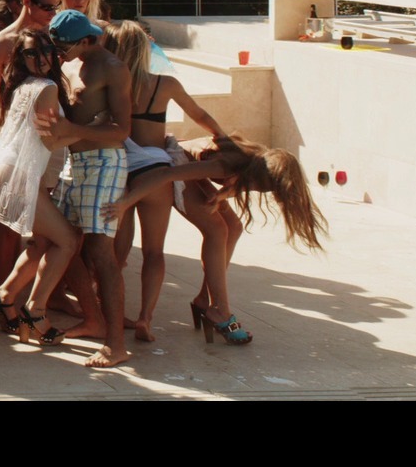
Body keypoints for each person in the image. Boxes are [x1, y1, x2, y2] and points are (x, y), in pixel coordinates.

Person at [105, 134, 328, 346]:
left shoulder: (253, 161)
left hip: (193, 170)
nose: (258, 192)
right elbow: (167, 175)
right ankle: (220, 310)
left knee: (234, 227)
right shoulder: (225, 165)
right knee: (217, 231)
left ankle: (205, 300)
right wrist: (127, 202)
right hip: (175, 162)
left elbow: (236, 185)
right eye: (261, 188)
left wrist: (221, 195)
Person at [107, 20, 230, 341]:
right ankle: (145, 318)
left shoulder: (109, 87)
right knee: (154, 252)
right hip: (155, 172)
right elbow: (199, 115)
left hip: (120, 170)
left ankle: (111, 313)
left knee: (116, 255)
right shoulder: (164, 85)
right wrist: (223, 137)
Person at [0, 28, 85, 347]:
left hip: (9, 169)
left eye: (45, 50)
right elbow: (50, 140)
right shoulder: (47, 86)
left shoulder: (21, 85)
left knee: (42, 242)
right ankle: (35, 311)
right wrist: (94, 131)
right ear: (20, 58)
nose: (41, 58)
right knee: (67, 240)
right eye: (30, 53)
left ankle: (4, 296)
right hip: (16, 173)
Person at [39, 9, 133, 368]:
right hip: (73, 161)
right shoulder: (68, 63)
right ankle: (93, 319)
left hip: (104, 162)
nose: (58, 54)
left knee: (100, 252)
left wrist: (73, 131)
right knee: (61, 241)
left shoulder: (112, 67)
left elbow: (122, 129)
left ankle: (116, 346)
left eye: (63, 47)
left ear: (87, 40)